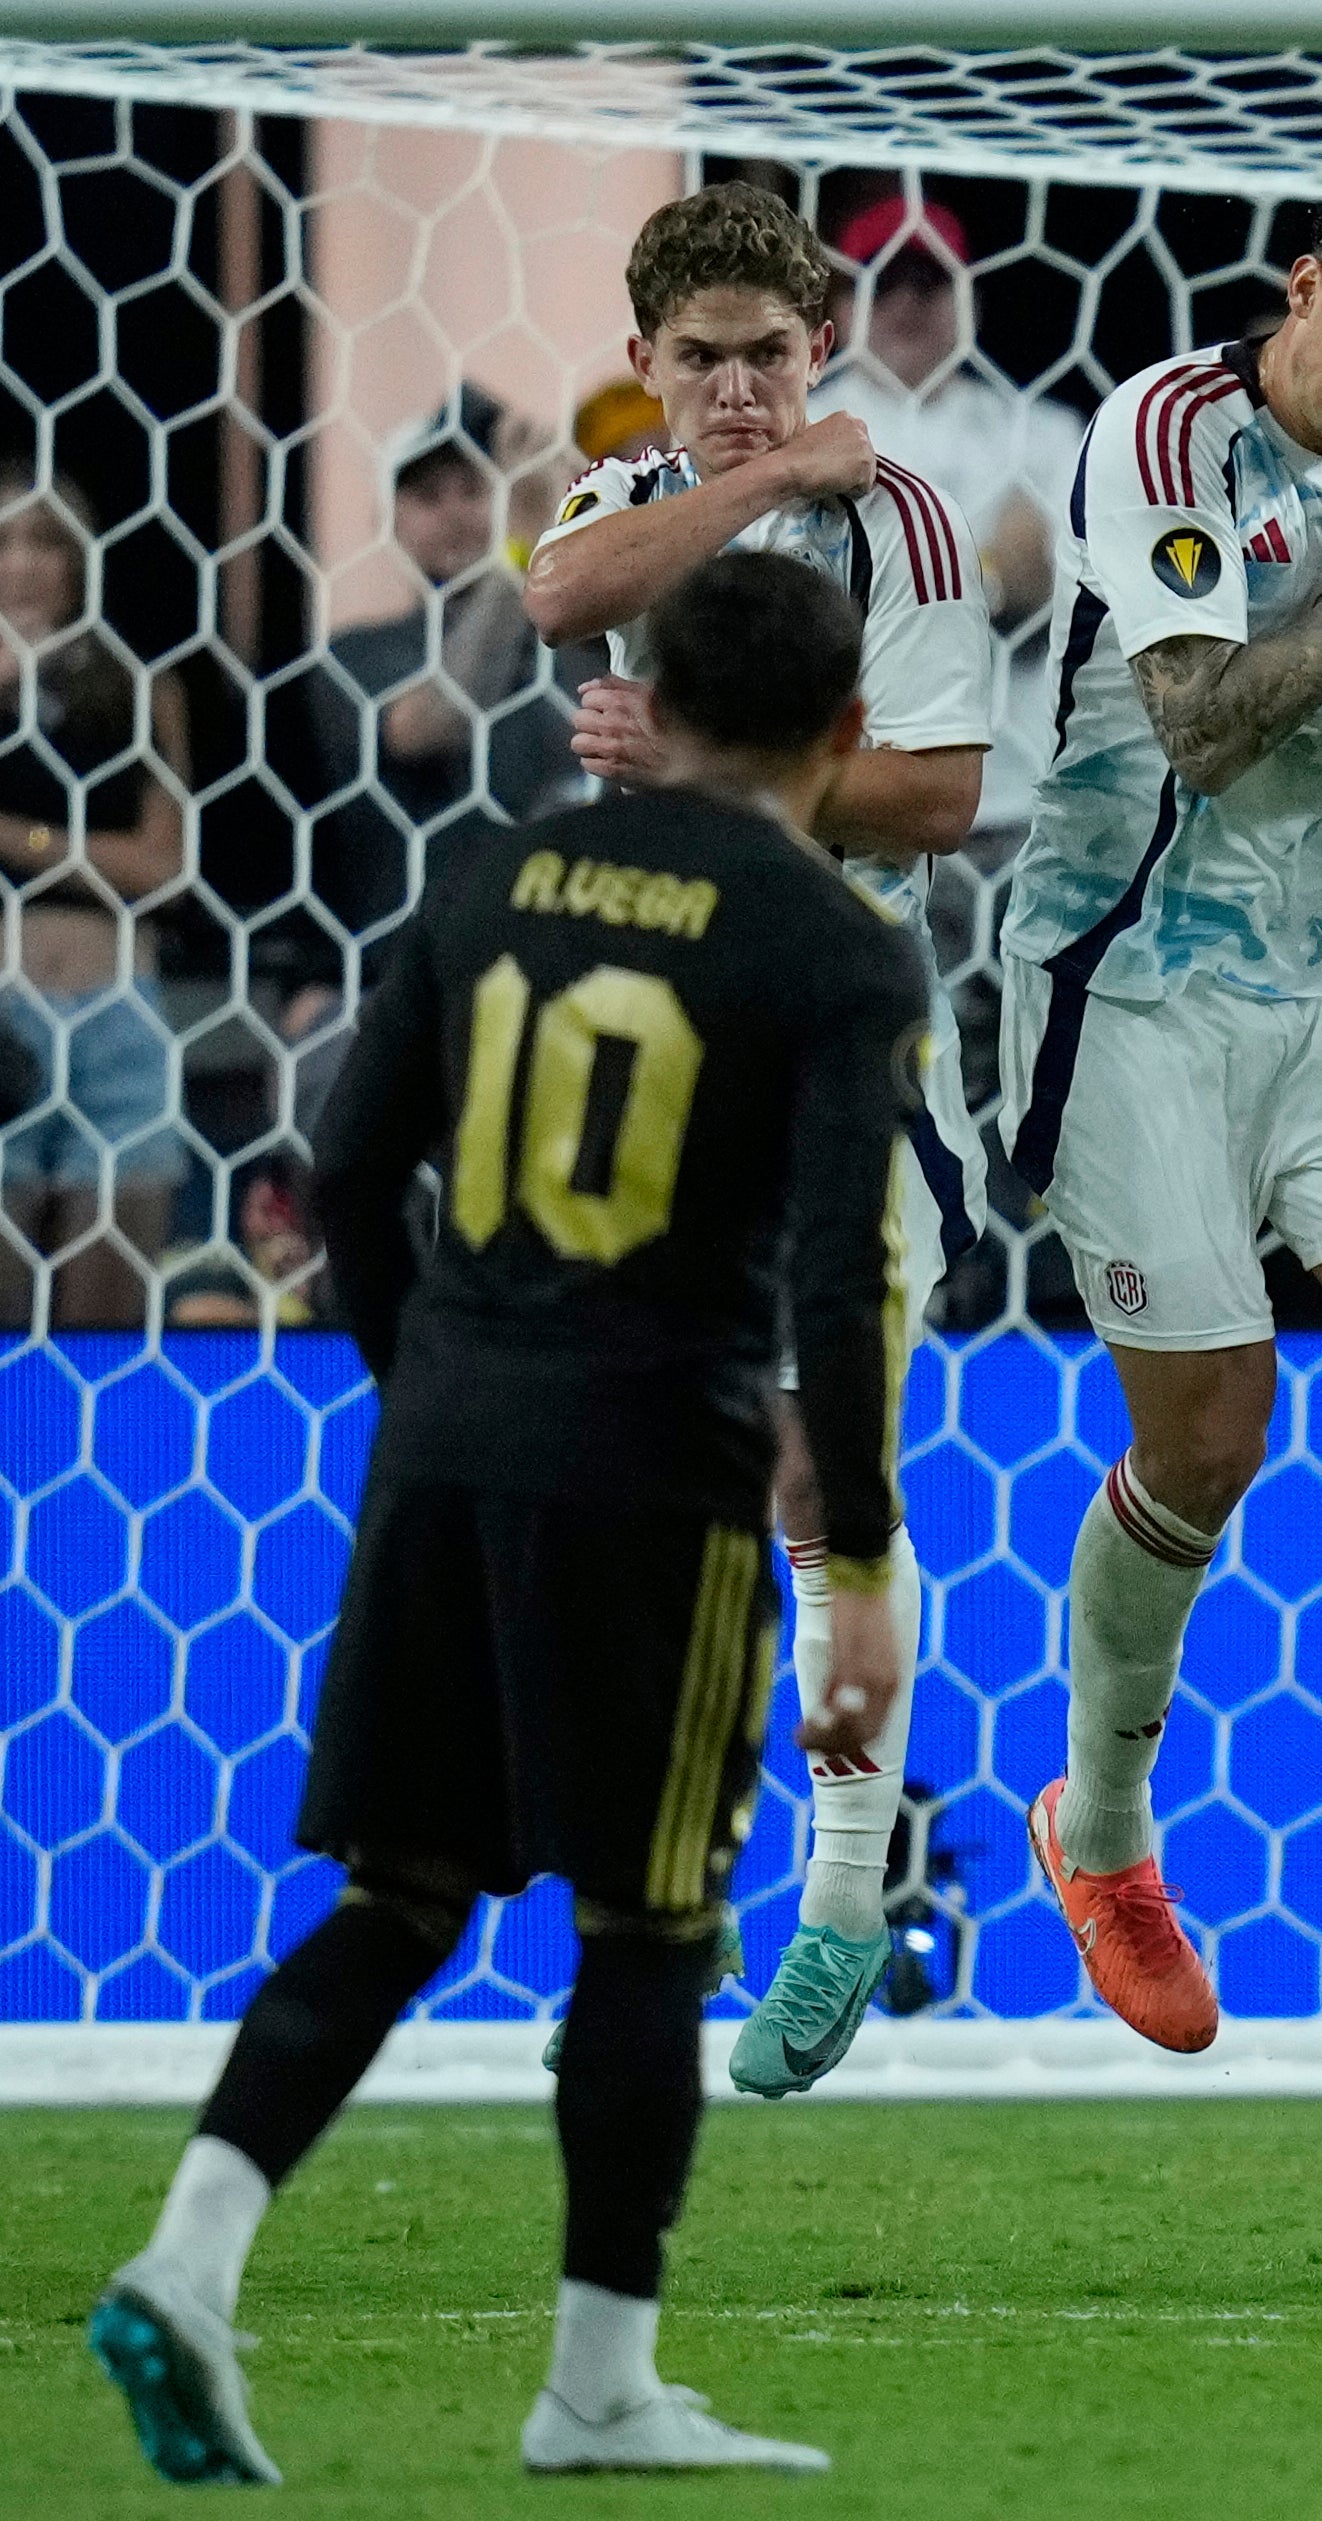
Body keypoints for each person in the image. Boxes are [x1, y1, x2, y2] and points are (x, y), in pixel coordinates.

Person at [84, 551, 927, 2481]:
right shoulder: (834, 946)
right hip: (652, 1475)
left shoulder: (486, 878)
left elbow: (341, 1169)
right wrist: (864, 1563)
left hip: (447, 1444)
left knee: (399, 1893)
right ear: (843, 731)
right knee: (649, 1920)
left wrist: (431, 1382)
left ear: (656, 705)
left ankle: (189, 2260)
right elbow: (832, 1280)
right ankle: (599, 2387)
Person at [997, 109, 1322, 2052]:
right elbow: (1205, 730)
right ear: (1305, 288)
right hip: (1123, 981)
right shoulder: (1161, 436)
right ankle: (1103, 1833)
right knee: (1210, 1438)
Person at [524, 179, 1000, 2097]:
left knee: (820, 1471)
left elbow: (941, 796)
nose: (739, 388)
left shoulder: (905, 526)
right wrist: (774, 469)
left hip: (838, 1056)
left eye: (774, 359)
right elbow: (557, 598)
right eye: (704, 359)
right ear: (645, 362)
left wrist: (710, 773)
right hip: (652, 1059)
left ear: (824, 343)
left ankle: (846, 1895)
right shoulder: (629, 504)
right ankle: (688, 1863)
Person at [811, 193, 1081, 837]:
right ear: (842, 309)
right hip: (850, 796)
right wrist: (989, 576)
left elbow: (1069, 594)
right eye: (883, 283)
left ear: (970, 303)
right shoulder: (801, 437)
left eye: (930, 281)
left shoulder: (1044, 433)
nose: (907, 301)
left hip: (1016, 798)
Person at [2, 465, 193, 1331]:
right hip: (4, 1020)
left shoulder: (139, 688)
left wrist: (21, 838)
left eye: (46, 541)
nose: (23, 562)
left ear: (78, 562)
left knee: (108, 1343)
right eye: (4, 541)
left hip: (118, 1020)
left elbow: (165, 868)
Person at [307, 385, 579, 952]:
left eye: (475, 489)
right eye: (429, 496)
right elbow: (431, 725)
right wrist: (521, 555)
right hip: (411, 968)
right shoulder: (357, 655)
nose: (455, 514)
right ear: (389, 520)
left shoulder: (579, 654)